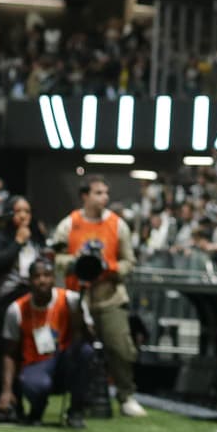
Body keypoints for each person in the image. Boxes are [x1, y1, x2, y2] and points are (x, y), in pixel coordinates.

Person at [50, 175, 146, 417]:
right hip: (78, 298)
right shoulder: (68, 224)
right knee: (75, 349)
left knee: (121, 348)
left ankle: (126, 395)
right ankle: (76, 398)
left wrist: (108, 268)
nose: (104, 197)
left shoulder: (117, 225)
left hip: (110, 296)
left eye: (106, 193)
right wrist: (78, 263)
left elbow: (129, 262)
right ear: (85, 196)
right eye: (98, 193)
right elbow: (56, 257)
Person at [0, 258, 92, 428]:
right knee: (35, 384)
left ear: (54, 278)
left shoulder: (71, 300)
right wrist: (6, 391)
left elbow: (91, 336)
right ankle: (37, 410)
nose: (42, 280)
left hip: (64, 362)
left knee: (86, 351)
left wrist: (79, 320)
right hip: (36, 365)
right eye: (37, 276)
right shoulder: (16, 309)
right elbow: (9, 353)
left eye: (47, 275)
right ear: (29, 280)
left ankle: (76, 410)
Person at [0, 195, 47, 420]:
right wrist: (18, 242)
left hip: (28, 303)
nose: (23, 216)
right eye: (18, 211)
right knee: (0, 354)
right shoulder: (1, 236)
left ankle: (18, 405)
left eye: (27, 211)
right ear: (10, 214)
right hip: (3, 302)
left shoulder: (36, 239)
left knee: (23, 354)